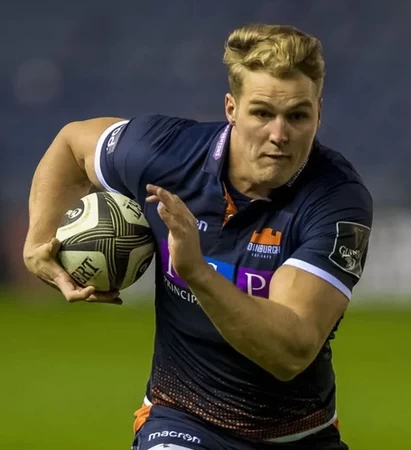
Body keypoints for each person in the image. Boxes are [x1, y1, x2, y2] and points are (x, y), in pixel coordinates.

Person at [23, 24, 372, 450]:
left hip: (299, 437)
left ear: (319, 112)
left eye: (297, 116)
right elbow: (72, 145)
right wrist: (38, 242)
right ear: (231, 108)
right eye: (262, 113)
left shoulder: (337, 201)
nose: (279, 135)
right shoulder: (164, 152)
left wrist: (198, 273)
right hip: (182, 416)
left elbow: (290, 352)